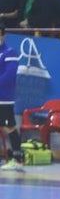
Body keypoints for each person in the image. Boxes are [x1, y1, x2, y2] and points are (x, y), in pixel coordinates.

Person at [0, 29, 23, 170]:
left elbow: (9, 76)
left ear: (2, 35)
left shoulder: (10, 53)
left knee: (9, 127)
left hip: (4, 98)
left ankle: (17, 160)